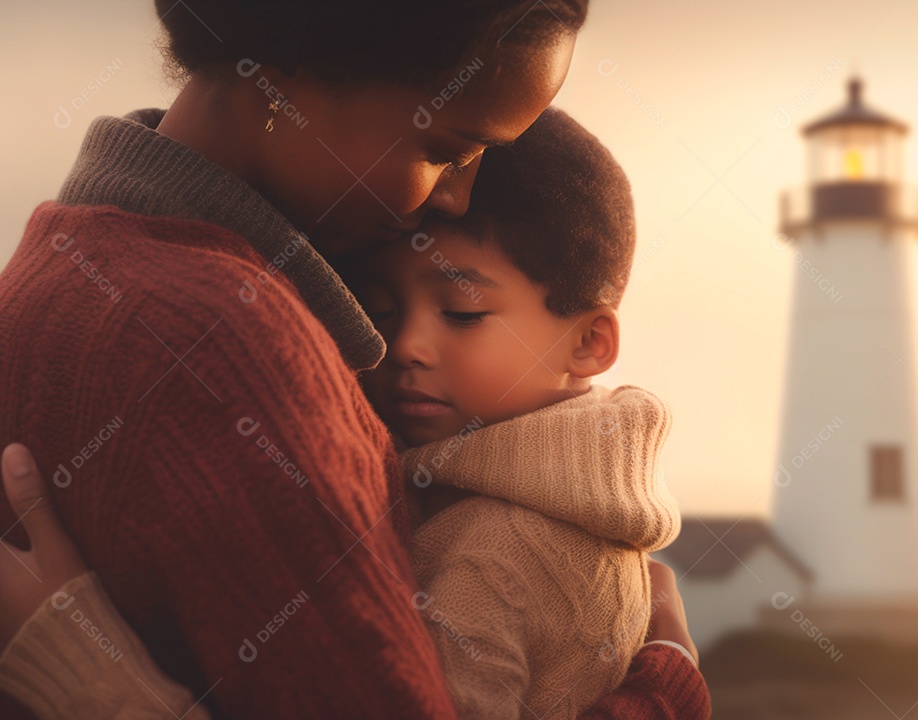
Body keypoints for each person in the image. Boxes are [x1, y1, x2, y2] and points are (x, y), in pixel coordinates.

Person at [0, 2, 709, 719]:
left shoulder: (53, 261)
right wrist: (664, 691)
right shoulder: (235, 348)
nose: (458, 199)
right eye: (446, 150)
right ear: (285, 64)